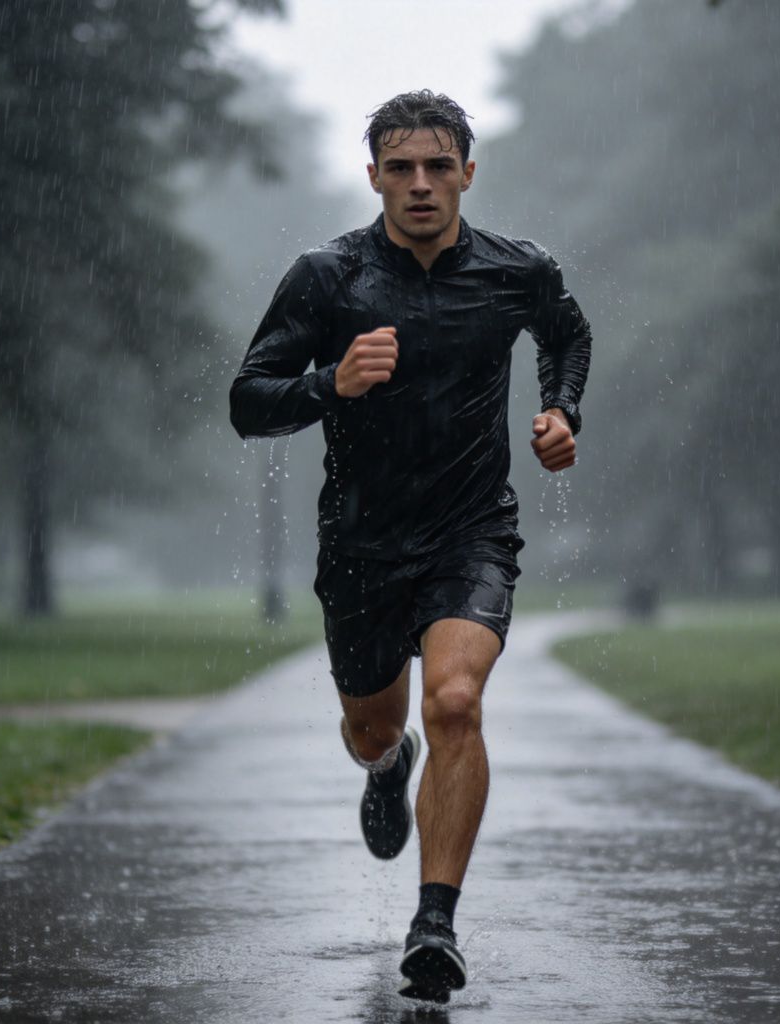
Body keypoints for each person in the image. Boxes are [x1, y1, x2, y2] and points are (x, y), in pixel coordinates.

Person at [229, 89, 591, 1004]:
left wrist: (560, 409)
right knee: (373, 728)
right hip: (360, 543)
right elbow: (247, 401)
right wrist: (330, 382)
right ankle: (389, 770)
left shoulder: (519, 269)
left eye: (439, 166)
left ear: (469, 172)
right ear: (375, 178)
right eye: (402, 168)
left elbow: (566, 335)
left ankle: (435, 923)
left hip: (473, 529)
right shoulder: (329, 277)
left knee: (457, 700)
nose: (421, 185)